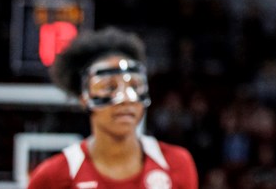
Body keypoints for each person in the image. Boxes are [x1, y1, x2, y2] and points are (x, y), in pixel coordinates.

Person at [27, 26, 198, 188]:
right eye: (109, 87)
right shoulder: (53, 176)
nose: (125, 99)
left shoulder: (177, 163)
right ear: (84, 97)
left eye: (134, 85)